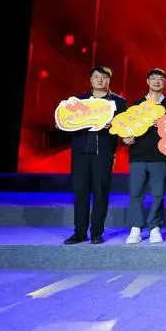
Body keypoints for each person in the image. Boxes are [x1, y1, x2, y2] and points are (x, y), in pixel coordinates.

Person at [64, 66, 127, 245]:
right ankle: (79, 232)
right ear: (91, 80)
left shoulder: (118, 102)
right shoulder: (78, 101)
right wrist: (62, 122)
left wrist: (113, 125)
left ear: (109, 80)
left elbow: (124, 127)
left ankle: (96, 232)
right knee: (80, 192)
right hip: (80, 153)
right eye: (96, 76)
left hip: (103, 153)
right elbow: (68, 122)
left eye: (104, 77)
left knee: (100, 192)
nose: (100, 80)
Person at [124, 68, 166, 244]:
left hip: (160, 157)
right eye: (153, 78)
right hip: (138, 156)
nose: (157, 81)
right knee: (136, 193)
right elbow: (125, 127)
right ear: (147, 81)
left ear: (165, 82)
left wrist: (164, 125)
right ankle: (135, 228)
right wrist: (125, 138)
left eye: (160, 79)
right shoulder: (137, 104)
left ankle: (155, 227)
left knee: (158, 194)